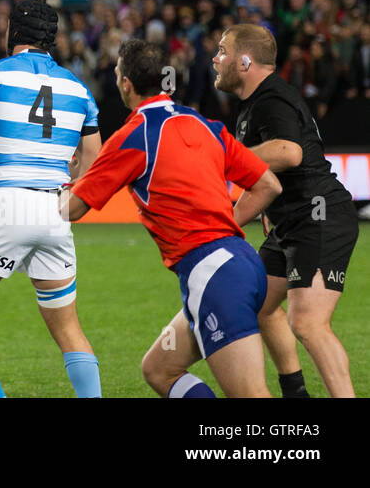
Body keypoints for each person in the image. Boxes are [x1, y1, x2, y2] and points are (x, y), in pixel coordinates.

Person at [66, 40, 282, 397]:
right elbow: (268, 185)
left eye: (119, 72)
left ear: (126, 84)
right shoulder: (205, 124)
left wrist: (18, 202)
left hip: (212, 274)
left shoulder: (134, 135)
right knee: (159, 369)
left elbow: (72, 208)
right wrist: (225, 224)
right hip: (239, 263)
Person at [0, 0, 102, 398]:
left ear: (14, 31)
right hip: (55, 210)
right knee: (67, 329)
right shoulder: (78, 88)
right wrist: (69, 187)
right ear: (52, 39)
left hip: (7, 201)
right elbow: (95, 162)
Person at [213, 23, 359, 397]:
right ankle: (296, 393)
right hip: (292, 223)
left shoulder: (270, 99)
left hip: (318, 216)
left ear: (245, 61)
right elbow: (264, 181)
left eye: (223, 51)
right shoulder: (254, 105)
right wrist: (219, 228)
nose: (215, 59)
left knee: (308, 322)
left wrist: (226, 156)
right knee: (258, 305)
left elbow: (289, 152)